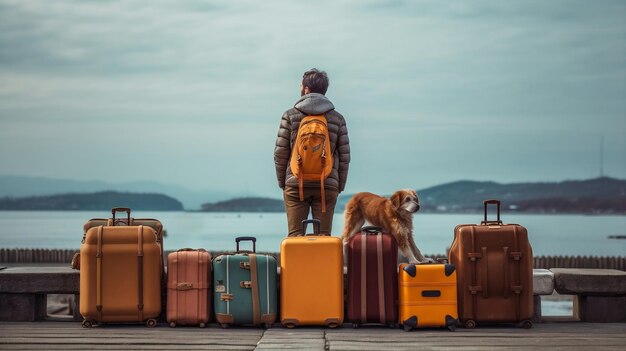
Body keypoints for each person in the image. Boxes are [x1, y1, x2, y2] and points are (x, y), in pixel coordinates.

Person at [274, 68, 350, 236]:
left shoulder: (290, 116)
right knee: (323, 240)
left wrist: (284, 183)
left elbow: (280, 154)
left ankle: (296, 263)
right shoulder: (337, 119)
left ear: (306, 89)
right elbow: (344, 157)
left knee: (295, 238)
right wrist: (338, 186)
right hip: (327, 184)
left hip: (295, 183)